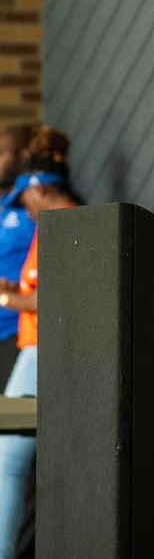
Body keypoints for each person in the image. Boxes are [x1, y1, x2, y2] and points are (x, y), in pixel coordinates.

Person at [0, 125, 81, 559]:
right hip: (33, 349)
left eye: (25, 198)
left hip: (45, 351)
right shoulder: (45, 228)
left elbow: (59, 298)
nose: (24, 208)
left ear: (38, 189)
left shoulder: (70, 222)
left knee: (10, 458)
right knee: (10, 455)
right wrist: (14, 289)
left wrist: (6, 295)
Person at [0, 126, 36, 393]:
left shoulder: (34, 207)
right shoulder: (4, 205)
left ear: (24, 155)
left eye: (2, 153)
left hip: (17, 333)